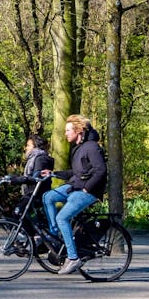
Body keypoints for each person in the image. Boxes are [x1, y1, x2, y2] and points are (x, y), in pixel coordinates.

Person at [40, 115, 107, 275]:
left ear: (78, 131)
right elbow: (76, 173)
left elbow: (101, 170)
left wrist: (87, 189)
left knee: (62, 217)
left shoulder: (92, 147)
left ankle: (73, 257)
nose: (66, 133)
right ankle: (55, 237)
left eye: (68, 130)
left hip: (88, 191)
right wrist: (54, 173)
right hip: (75, 186)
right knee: (48, 197)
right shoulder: (78, 148)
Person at [8, 134, 54, 216]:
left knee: (18, 213)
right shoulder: (34, 158)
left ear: (35, 146)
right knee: (21, 216)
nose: (26, 148)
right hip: (31, 193)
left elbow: (36, 178)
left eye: (28, 145)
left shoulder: (40, 159)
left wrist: (18, 180)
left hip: (37, 194)